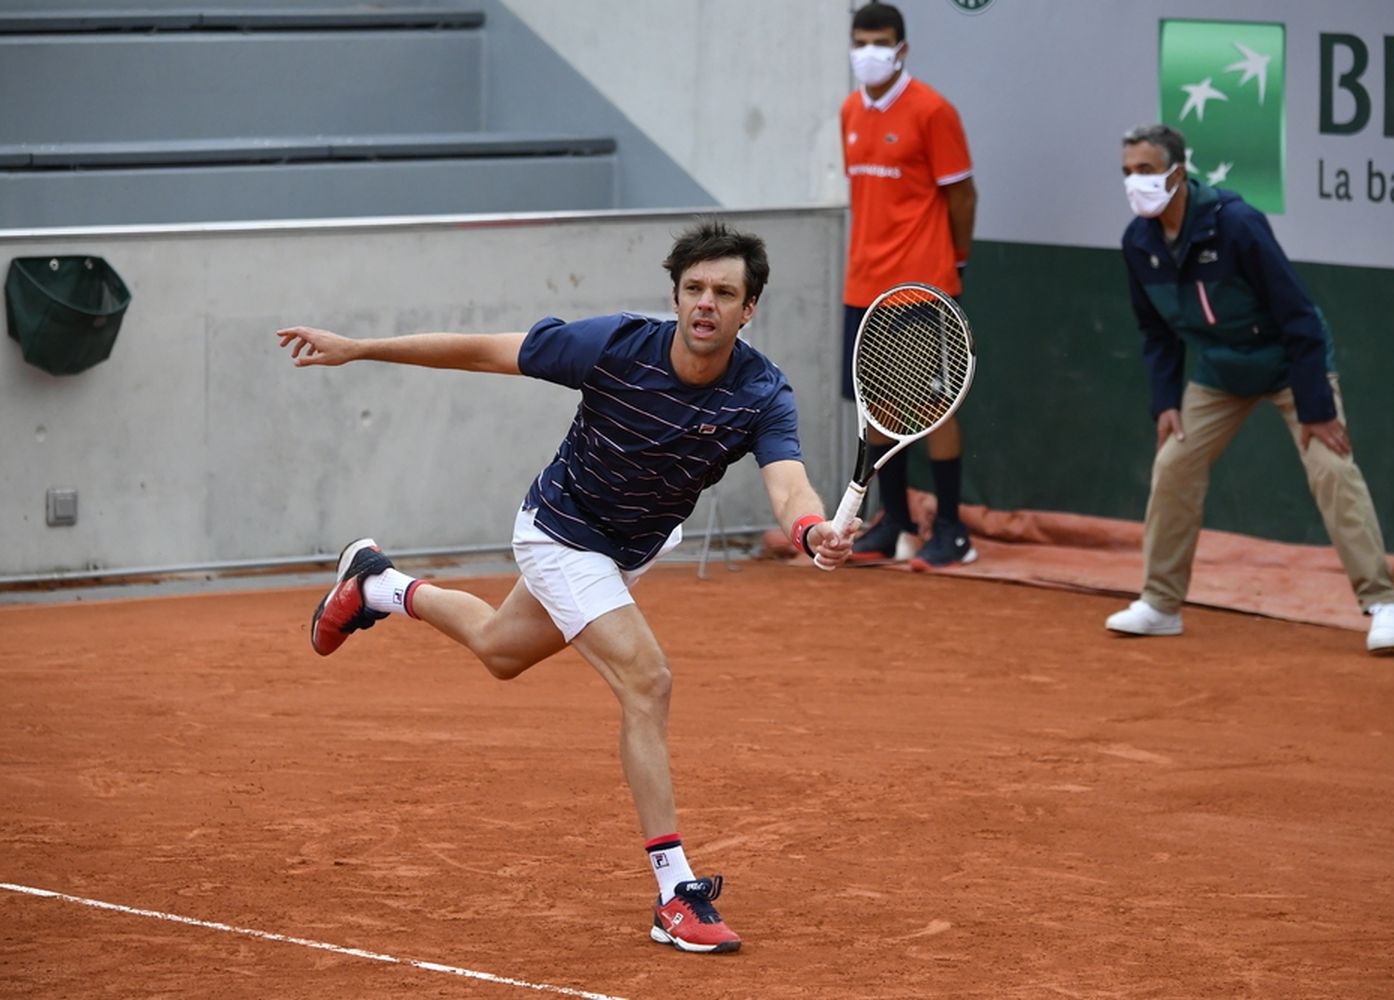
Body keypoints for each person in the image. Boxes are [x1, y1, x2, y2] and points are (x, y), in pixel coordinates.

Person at [275, 220, 857, 954]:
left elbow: (790, 485)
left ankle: (378, 586)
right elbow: (486, 351)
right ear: (676, 297)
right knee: (647, 682)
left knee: (499, 649)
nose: (706, 303)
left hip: (629, 549)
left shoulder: (762, 393)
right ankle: (676, 891)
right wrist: (361, 348)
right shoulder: (613, 346)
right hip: (560, 530)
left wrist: (810, 532)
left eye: (725, 292)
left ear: (750, 309)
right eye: (694, 289)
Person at [1107, 123, 1394, 654]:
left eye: (1147, 171)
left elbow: (1298, 314)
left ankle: (1383, 603)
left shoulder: (1237, 224)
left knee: (1331, 469)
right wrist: (1166, 403)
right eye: (1128, 173)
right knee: (1174, 465)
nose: (1136, 183)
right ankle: (1160, 605)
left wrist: (1315, 407)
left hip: (1289, 363)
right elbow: (1156, 333)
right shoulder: (1138, 242)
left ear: (1177, 173)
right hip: (1221, 371)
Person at [840, 1, 979, 571]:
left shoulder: (932, 110)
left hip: (922, 287)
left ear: (901, 49)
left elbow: (962, 195)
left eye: (880, 43)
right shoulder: (850, 109)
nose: (868, 53)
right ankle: (893, 521)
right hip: (862, 286)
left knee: (935, 407)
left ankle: (952, 530)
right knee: (879, 408)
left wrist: (958, 263)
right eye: (860, 42)